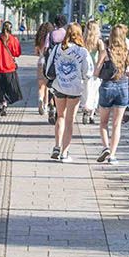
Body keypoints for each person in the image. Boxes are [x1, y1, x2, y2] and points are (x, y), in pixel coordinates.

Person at [47, 22, 93, 161]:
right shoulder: (82, 51)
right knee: (70, 120)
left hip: (59, 86)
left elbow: (48, 67)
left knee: (60, 116)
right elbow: (88, 73)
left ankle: (57, 146)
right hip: (75, 89)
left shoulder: (58, 48)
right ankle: (65, 152)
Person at [94, 24, 129, 163]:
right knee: (116, 124)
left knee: (103, 123)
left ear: (111, 36)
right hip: (122, 88)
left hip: (107, 87)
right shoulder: (128, 53)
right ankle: (112, 155)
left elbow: (96, 72)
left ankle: (105, 147)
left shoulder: (105, 52)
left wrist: (103, 72)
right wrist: (124, 73)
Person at [0, 19, 23, 114]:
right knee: (9, 88)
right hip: (10, 68)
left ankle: (1, 105)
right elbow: (17, 53)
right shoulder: (13, 39)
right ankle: (6, 103)